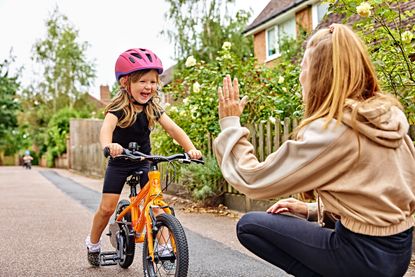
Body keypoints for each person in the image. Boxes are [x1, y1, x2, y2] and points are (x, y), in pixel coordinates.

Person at [213, 24, 415, 277]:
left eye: (303, 69)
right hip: (398, 252)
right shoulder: (387, 118)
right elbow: (382, 195)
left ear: (319, 76)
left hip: (361, 257)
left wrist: (230, 125)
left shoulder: (334, 130)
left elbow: (252, 179)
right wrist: (310, 210)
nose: (300, 77)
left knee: (250, 225)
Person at [85, 48, 202, 266]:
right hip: (120, 162)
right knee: (107, 208)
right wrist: (109, 146)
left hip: (143, 160)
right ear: (125, 83)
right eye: (142, 81)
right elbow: (106, 130)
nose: (148, 87)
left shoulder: (153, 108)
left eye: (153, 82)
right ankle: (93, 243)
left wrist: (191, 149)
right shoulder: (118, 108)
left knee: (157, 205)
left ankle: (165, 249)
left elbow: (174, 129)